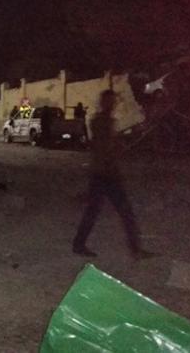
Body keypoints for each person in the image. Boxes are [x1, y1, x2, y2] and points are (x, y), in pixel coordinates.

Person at [72, 90, 154, 259]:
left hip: (101, 173)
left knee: (94, 212)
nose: (113, 105)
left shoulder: (99, 121)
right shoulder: (103, 122)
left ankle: (79, 244)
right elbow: (107, 148)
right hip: (107, 174)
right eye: (111, 102)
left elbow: (103, 146)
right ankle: (135, 250)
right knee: (124, 213)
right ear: (106, 103)